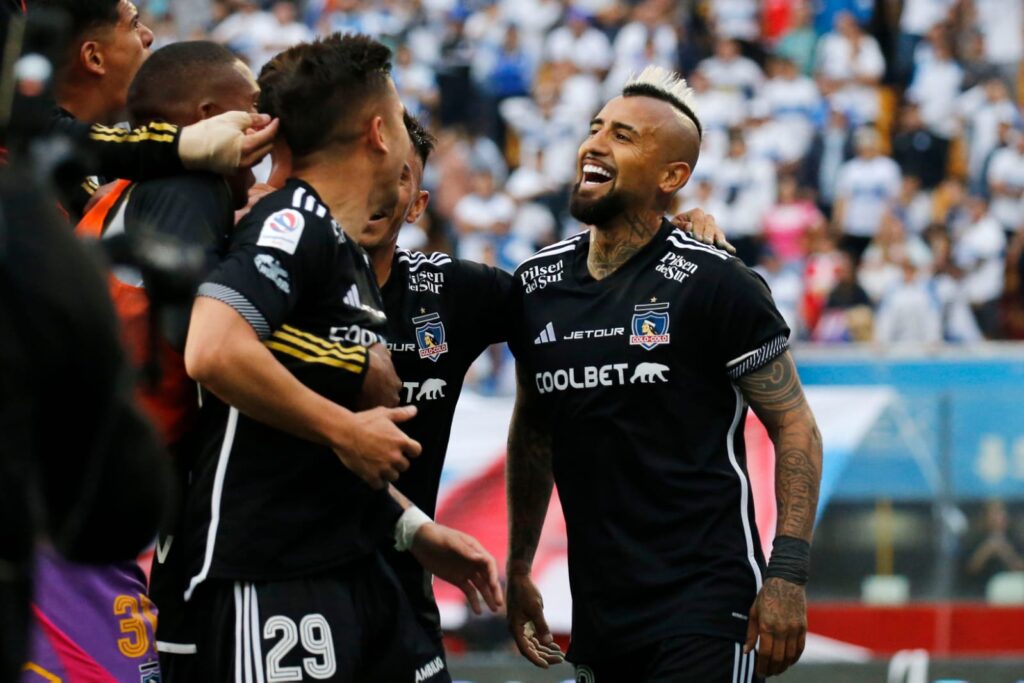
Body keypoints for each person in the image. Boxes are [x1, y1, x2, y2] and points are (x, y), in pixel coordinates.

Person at [181, 34, 498, 682]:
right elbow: (211, 346)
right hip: (265, 580)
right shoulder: (292, 221)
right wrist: (346, 427)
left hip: (337, 572)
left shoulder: (341, 250)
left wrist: (413, 528)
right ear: (380, 133)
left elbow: (302, 448)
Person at [505, 66, 823, 681]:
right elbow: (533, 433)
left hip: (706, 603)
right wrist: (518, 567)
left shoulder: (717, 282)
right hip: (600, 611)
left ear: (672, 176)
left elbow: (796, 426)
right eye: (595, 128)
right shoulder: (535, 286)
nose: (594, 144)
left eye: (623, 136)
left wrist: (787, 572)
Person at [72, 40, 265, 681]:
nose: (268, 128)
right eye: (255, 109)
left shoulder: (128, 192)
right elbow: (205, 340)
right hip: (75, 523)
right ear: (208, 115)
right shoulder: (189, 185)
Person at [30, 0, 277, 216]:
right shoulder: (25, 174)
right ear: (94, 58)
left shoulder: (107, 172)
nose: (149, 35)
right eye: (134, 23)